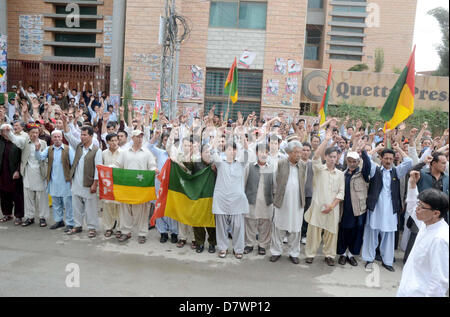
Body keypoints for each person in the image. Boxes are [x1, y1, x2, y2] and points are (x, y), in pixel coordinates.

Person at [361, 144, 412, 272]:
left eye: (391, 159)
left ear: (394, 159)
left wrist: (398, 148)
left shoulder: (396, 171)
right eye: (386, 158)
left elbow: (409, 161)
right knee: (371, 233)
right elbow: (365, 157)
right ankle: (369, 259)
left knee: (388, 235)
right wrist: (377, 148)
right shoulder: (375, 169)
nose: (388, 161)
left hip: (390, 209)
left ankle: (387, 261)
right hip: (375, 208)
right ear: (381, 159)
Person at [397, 170, 449, 297]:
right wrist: (413, 185)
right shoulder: (426, 224)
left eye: (421, 206)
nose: (417, 209)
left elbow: (438, 282)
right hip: (407, 289)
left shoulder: (440, 239)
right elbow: (412, 206)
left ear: (436, 213)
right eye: (419, 204)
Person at [304, 129, 345, 266]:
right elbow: (315, 157)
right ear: (326, 157)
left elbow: (341, 192)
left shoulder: (340, 174)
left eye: (335, 157)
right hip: (317, 206)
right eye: (330, 156)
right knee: (313, 232)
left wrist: (332, 206)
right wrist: (326, 140)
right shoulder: (319, 169)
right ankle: (310, 254)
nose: (333, 159)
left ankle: (329, 255)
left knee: (331, 234)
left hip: (332, 208)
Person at [211, 132, 249, 259]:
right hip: (221, 199)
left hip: (237, 200)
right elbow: (212, 150)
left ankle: (238, 249)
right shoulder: (220, 163)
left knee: (238, 226)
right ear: (225, 151)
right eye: (228, 149)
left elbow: (247, 152)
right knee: (221, 227)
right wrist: (217, 135)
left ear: (236, 151)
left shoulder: (241, 163)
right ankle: (222, 248)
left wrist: (243, 138)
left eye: (233, 149)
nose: (231, 151)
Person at [5, 123, 50, 227]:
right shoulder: (25, 141)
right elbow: (14, 139)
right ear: (29, 134)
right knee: (28, 196)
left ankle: (43, 217)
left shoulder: (43, 143)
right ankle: (30, 217)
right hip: (28, 172)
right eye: (33, 132)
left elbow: (45, 157)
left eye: (36, 132)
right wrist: (8, 131)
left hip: (40, 172)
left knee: (42, 197)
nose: (35, 134)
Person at [270, 141, 307, 264]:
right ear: (289, 153)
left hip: (297, 202)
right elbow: (275, 181)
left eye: (300, 152)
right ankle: (276, 251)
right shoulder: (281, 163)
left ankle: (294, 253)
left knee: (296, 228)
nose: (299, 155)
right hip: (282, 201)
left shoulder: (303, 165)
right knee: (278, 226)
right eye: (296, 152)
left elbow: (304, 182)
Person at [64, 120, 102, 238]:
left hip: (89, 183)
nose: (82, 137)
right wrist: (65, 122)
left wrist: (95, 184)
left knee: (90, 208)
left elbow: (98, 168)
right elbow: (68, 136)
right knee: (76, 206)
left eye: (85, 135)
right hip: (76, 182)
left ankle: (92, 228)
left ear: (91, 136)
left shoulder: (97, 150)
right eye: (81, 134)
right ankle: (78, 225)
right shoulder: (78, 146)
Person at [116, 130, 156, 244]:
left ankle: (142, 234)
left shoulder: (147, 152)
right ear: (132, 138)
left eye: (141, 136)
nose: (139, 138)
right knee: (125, 209)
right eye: (137, 136)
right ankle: (125, 232)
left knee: (142, 211)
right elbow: (117, 165)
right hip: (126, 187)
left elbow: (152, 165)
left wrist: (154, 170)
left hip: (141, 188)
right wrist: (109, 168)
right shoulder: (124, 152)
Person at [337, 141, 371, 266]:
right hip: (344, 209)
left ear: (358, 162)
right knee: (344, 231)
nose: (352, 163)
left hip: (358, 209)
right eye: (350, 161)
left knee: (356, 232)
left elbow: (367, 165)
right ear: (347, 161)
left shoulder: (362, 174)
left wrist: (364, 152)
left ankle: (351, 254)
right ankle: (342, 254)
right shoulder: (342, 174)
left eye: (354, 161)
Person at [35, 130, 75, 232]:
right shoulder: (49, 149)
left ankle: (70, 223)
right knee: (56, 203)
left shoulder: (68, 149)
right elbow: (40, 158)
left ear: (62, 138)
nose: (57, 139)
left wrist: (72, 179)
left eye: (58, 137)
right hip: (53, 181)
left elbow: (74, 165)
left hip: (66, 181)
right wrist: (37, 150)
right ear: (51, 139)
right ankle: (59, 221)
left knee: (68, 204)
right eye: (54, 137)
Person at [148, 129, 178, 244]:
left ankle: (174, 233)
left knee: (171, 209)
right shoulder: (160, 152)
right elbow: (149, 147)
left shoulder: (178, 153)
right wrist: (155, 137)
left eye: (169, 140)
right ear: (163, 142)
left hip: (172, 186)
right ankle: (163, 233)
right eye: (165, 140)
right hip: (159, 185)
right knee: (159, 206)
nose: (167, 142)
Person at [244, 143, 274, 256]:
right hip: (252, 199)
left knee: (265, 223)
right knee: (250, 222)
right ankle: (249, 244)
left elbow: (274, 185)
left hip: (266, 201)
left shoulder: (271, 167)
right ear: (257, 153)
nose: (263, 154)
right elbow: (243, 182)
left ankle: (262, 245)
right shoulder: (250, 166)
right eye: (261, 152)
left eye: (266, 152)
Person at [192, 144, 217, 253]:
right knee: (198, 222)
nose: (208, 154)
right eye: (206, 152)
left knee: (211, 222)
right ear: (201, 154)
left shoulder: (216, 164)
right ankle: (200, 243)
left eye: (210, 152)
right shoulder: (195, 164)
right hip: (198, 197)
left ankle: (212, 243)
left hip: (211, 197)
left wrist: (215, 170)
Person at [0, 124, 24, 225]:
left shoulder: (17, 141)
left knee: (17, 194)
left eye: (8, 130)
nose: (6, 132)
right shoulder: (1, 142)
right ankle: (7, 214)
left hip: (14, 172)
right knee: (4, 194)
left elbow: (22, 158)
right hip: (2, 173)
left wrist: (18, 170)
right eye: (4, 130)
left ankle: (18, 216)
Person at [101, 133, 122, 238]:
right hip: (107, 185)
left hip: (119, 184)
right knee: (107, 206)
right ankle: (108, 228)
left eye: (116, 140)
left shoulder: (123, 153)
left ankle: (119, 228)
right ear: (108, 142)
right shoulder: (104, 153)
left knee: (119, 207)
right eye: (112, 141)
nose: (114, 143)